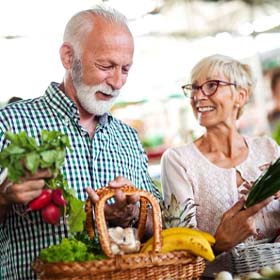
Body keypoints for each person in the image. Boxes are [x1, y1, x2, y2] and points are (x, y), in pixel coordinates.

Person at [0, 5, 161, 279]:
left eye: (125, 69)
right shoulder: (9, 124)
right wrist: (3, 198)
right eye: (106, 66)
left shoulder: (128, 137)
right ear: (67, 56)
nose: (117, 82)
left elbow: (157, 228)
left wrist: (133, 214)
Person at [161, 54, 280, 269]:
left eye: (211, 86)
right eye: (194, 88)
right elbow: (180, 251)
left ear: (241, 96)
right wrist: (219, 243)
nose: (198, 97)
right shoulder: (179, 161)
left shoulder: (269, 149)